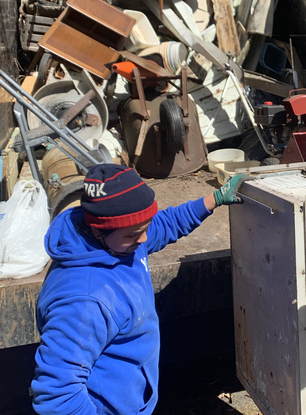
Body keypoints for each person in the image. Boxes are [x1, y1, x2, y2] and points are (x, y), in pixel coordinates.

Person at [31, 164, 249, 415]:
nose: (144, 239)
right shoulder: (85, 300)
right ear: (97, 230)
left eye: (144, 228)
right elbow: (57, 395)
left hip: (132, 398)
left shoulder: (121, 241)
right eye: (134, 234)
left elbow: (163, 224)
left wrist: (214, 199)